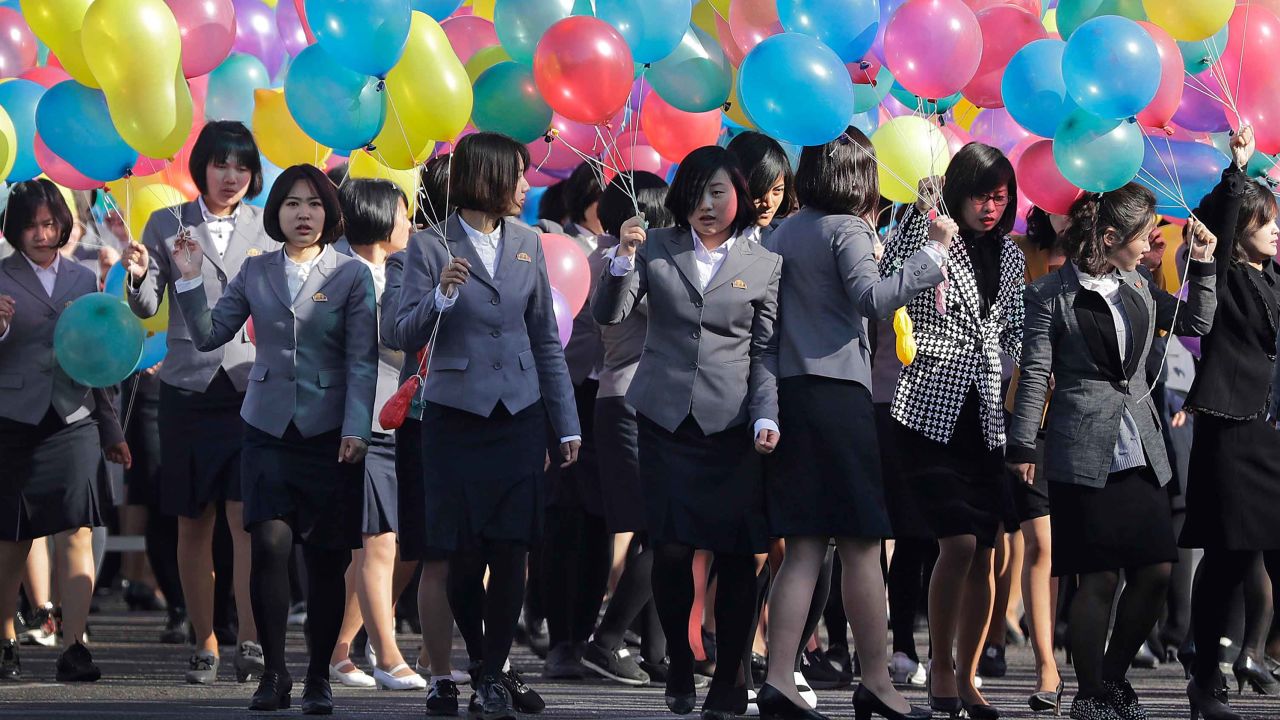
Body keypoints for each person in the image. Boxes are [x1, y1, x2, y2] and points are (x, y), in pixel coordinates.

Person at [170, 163, 378, 714]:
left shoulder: (351, 274)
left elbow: (363, 359)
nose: (303, 213)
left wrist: (358, 427)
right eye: (291, 204)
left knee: (329, 559)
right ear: (276, 213)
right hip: (265, 427)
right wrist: (189, 277)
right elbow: (210, 333)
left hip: (332, 433)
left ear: (328, 213)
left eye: (312, 204)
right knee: (269, 546)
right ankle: (275, 674)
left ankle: (318, 677)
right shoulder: (256, 269)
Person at [1007, 183, 1219, 720]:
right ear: (1109, 237)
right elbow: (1035, 373)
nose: (1154, 238)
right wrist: (1021, 443)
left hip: (1143, 448)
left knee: (1157, 570)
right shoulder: (1049, 294)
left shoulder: (1139, 286)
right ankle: (1090, 694)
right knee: (1097, 575)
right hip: (1082, 450)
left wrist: (1204, 265)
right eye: (1145, 231)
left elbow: (1196, 323)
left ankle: (1112, 676)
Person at [592, 145, 782, 720]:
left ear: (739, 199)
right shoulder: (654, 247)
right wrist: (622, 260)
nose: (707, 204)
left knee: (736, 553)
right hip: (664, 419)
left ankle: (729, 676)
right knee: (671, 550)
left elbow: (766, 349)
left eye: (719, 192)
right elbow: (610, 313)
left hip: (732, 427)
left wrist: (767, 413)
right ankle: (678, 653)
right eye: (697, 192)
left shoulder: (766, 262)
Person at [394, 131, 581, 720]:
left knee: (512, 546)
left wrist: (566, 422)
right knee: (462, 551)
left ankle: (491, 674)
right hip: (454, 414)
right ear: (488, 178)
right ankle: (481, 669)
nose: (526, 186)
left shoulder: (528, 241)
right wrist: (439, 299)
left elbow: (546, 340)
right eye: (518, 174)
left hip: (519, 414)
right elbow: (398, 332)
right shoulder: (429, 246)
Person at [758, 127, 939, 720]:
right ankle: (878, 682)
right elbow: (872, 297)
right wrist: (930, 259)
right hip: (839, 396)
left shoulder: (785, 230)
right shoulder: (848, 228)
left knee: (806, 544)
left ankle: (780, 677)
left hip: (791, 393)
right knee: (862, 545)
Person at [121, 120, 271, 684]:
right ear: (201, 167)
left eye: (241, 167)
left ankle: (251, 638)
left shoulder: (268, 227)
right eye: (220, 164)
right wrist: (137, 277)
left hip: (249, 388)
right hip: (186, 389)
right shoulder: (168, 223)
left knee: (246, 521)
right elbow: (145, 306)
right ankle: (204, 639)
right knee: (192, 523)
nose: (231, 177)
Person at [880, 143, 1026, 720]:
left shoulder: (1011, 257)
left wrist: (1023, 402)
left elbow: (1013, 329)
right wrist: (922, 219)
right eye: (979, 195)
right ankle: (938, 666)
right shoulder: (931, 232)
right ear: (958, 190)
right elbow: (890, 278)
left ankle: (965, 677)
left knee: (986, 551)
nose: (989, 208)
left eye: (999, 197)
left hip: (987, 415)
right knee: (958, 540)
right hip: (930, 409)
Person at [0, 179, 131, 682]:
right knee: (11, 538)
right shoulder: (2, 276)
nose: (41, 233)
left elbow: (100, 358)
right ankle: (6, 639)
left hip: (74, 418)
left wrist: (112, 429)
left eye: (50, 223)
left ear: (63, 226)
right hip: (14, 420)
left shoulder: (82, 279)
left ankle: (75, 644)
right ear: (14, 229)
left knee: (78, 529)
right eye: (30, 225)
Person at [1178, 127, 1280, 720]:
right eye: (1265, 220)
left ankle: (1246, 654)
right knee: (1225, 554)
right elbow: (1219, 209)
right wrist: (1238, 170)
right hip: (1229, 428)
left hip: (1266, 432)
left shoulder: (1273, 277)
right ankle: (1205, 678)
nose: (1274, 228)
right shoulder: (1224, 269)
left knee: (1250, 554)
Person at [327, 179, 426, 691]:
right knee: (378, 542)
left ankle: (341, 652)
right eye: (404, 215)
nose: (411, 225)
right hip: (362, 422)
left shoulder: (399, 273)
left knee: (378, 543)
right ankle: (388, 656)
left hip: (397, 420)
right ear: (382, 218)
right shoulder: (345, 275)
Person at [581, 171, 675, 687]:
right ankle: (608, 639)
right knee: (665, 530)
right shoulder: (622, 262)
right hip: (632, 401)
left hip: (633, 399)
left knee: (653, 529)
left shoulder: (607, 254)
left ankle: (656, 653)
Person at [1002, 206, 1068, 713]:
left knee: (1072, 546)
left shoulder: (1108, 256)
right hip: (1028, 415)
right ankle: (1047, 665)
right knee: (1038, 542)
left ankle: (1075, 649)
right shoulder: (1022, 253)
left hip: (1087, 419)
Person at [726, 131, 796, 244]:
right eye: (760, 190)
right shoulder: (704, 237)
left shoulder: (786, 238)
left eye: (777, 190)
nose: (769, 203)